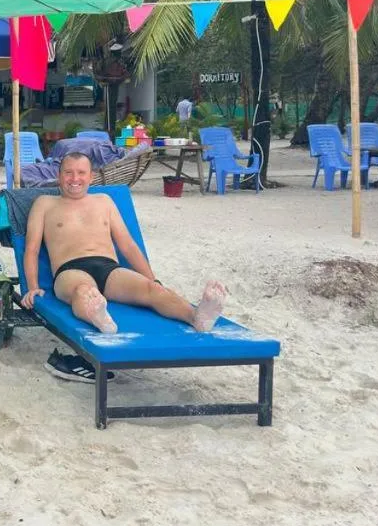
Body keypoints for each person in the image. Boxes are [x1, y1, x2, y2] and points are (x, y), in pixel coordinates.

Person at [20, 152, 226, 379]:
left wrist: (152, 279)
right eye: (68, 172)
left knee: (154, 291)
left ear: (91, 177)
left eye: (81, 173)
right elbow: (32, 249)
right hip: (70, 270)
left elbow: (128, 245)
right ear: (59, 176)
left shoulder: (104, 202)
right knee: (84, 291)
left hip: (109, 268)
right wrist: (32, 286)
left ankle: (197, 317)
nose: (74, 178)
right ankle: (97, 316)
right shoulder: (45, 204)